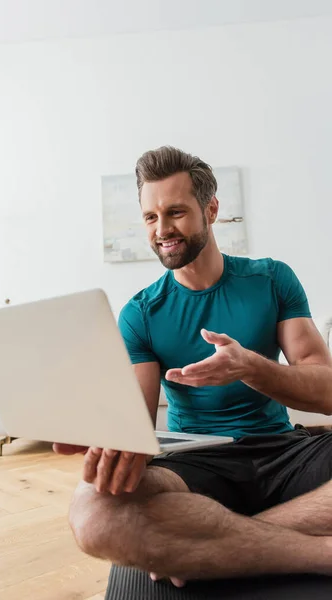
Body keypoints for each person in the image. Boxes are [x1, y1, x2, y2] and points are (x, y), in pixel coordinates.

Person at [55, 146, 332, 585]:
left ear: (212, 209)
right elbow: (137, 428)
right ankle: (320, 551)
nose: (162, 230)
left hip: (283, 450)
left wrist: (251, 368)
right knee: (94, 514)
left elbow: (327, 392)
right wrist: (109, 439)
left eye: (176, 212)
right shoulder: (141, 313)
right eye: (150, 217)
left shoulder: (272, 278)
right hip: (197, 463)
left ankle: (211, 546)